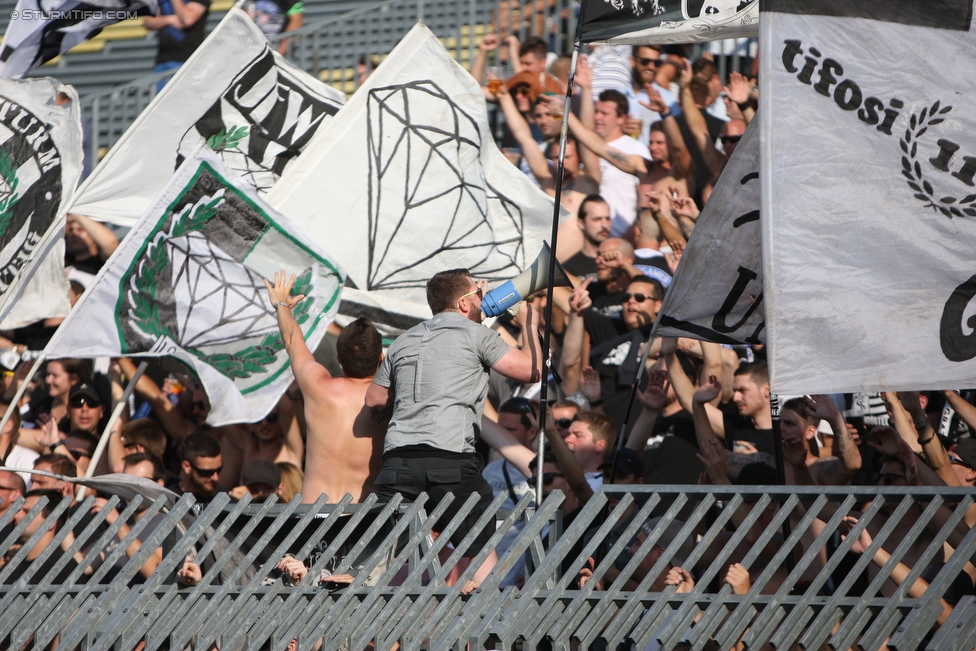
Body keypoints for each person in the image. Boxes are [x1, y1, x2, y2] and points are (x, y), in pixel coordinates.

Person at [365, 268, 543, 593]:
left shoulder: (405, 339)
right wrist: (531, 326)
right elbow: (532, 371)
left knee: (403, 557)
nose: (482, 297)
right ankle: (476, 603)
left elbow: (374, 398)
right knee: (478, 522)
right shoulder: (478, 336)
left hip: (396, 465)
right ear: (463, 303)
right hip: (448, 459)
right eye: (477, 292)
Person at [266, 271, 387, 503]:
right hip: (362, 516)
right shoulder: (390, 400)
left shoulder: (318, 388)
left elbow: (292, 339)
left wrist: (282, 304)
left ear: (338, 359)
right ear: (380, 359)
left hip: (314, 513)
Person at [144, 0, 211, 81]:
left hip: (187, 59)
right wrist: (169, 20)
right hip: (162, 60)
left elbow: (187, 19)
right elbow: (148, 22)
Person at [559, 195, 612, 278]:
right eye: (597, 219)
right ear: (581, 223)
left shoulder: (620, 263)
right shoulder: (569, 270)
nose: (604, 225)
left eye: (608, 218)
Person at [173, 432, 223, 501]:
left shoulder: (225, 501)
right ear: (187, 467)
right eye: (206, 472)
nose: (215, 478)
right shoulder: (168, 501)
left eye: (219, 470)